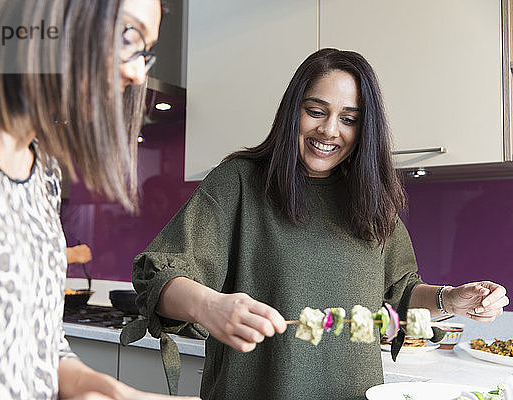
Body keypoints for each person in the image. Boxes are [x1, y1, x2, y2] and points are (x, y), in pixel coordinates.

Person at [129, 48, 510, 399]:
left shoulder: (369, 196)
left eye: (348, 119)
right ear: (292, 110)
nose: (330, 130)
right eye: (315, 110)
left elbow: (399, 293)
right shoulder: (239, 183)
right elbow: (158, 277)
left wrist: (450, 298)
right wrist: (208, 305)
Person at [0, 0, 199, 399]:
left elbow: (39, 350)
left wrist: (113, 392)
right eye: (127, 36)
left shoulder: (42, 168)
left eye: (144, 53)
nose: (136, 73)